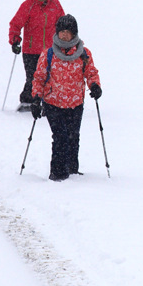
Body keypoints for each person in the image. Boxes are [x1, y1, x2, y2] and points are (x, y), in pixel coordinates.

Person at [31, 14, 102, 182]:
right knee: (60, 137)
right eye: (61, 31)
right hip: (53, 103)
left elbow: (91, 72)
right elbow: (39, 78)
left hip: (75, 103)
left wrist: (95, 86)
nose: (64, 35)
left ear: (74, 33)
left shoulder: (84, 53)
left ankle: (72, 172)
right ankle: (57, 173)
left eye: (68, 32)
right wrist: (36, 98)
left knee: (73, 136)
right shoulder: (48, 54)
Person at [8, 0, 65, 111]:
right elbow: (16, 23)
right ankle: (28, 100)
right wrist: (15, 39)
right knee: (33, 76)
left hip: (50, 50)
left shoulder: (55, 5)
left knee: (50, 76)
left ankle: (48, 101)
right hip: (31, 50)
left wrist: (65, 40)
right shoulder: (28, 5)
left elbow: (62, 24)